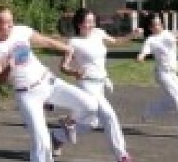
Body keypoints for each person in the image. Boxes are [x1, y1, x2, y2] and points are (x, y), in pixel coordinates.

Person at [0, 5, 136, 162]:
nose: (10, 25)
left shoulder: (21, 31)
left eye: (11, 20)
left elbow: (44, 40)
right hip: (27, 95)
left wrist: (66, 48)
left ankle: (69, 122)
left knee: (90, 105)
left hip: (49, 82)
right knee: (42, 140)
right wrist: (9, 65)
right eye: (5, 22)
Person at [53, 8, 137, 152]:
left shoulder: (99, 33)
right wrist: (74, 72)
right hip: (86, 84)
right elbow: (63, 66)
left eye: (93, 21)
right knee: (109, 115)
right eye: (88, 22)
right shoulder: (73, 42)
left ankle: (58, 136)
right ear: (79, 24)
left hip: (100, 83)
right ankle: (122, 155)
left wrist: (132, 35)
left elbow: (116, 41)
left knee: (91, 123)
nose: (91, 25)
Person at [136, 14, 178, 140]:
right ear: (150, 27)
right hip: (163, 74)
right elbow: (144, 51)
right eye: (155, 25)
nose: (158, 26)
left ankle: (149, 111)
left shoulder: (168, 34)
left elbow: (177, 41)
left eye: (159, 23)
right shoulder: (151, 40)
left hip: (174, 74)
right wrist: (141, 56)